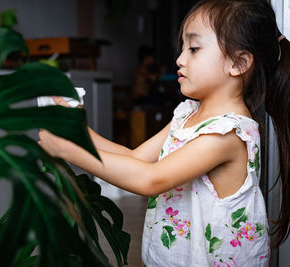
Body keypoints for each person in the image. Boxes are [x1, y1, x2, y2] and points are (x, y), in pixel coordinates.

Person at [39, 0, 290, 265]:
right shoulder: (187, 114)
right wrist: (76, 127)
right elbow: (135, 158)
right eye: (183, 47)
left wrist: (67, 150)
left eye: (194, 48)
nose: (180, 59)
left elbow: (151, 178)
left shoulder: (229, 133)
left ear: (238, 63)